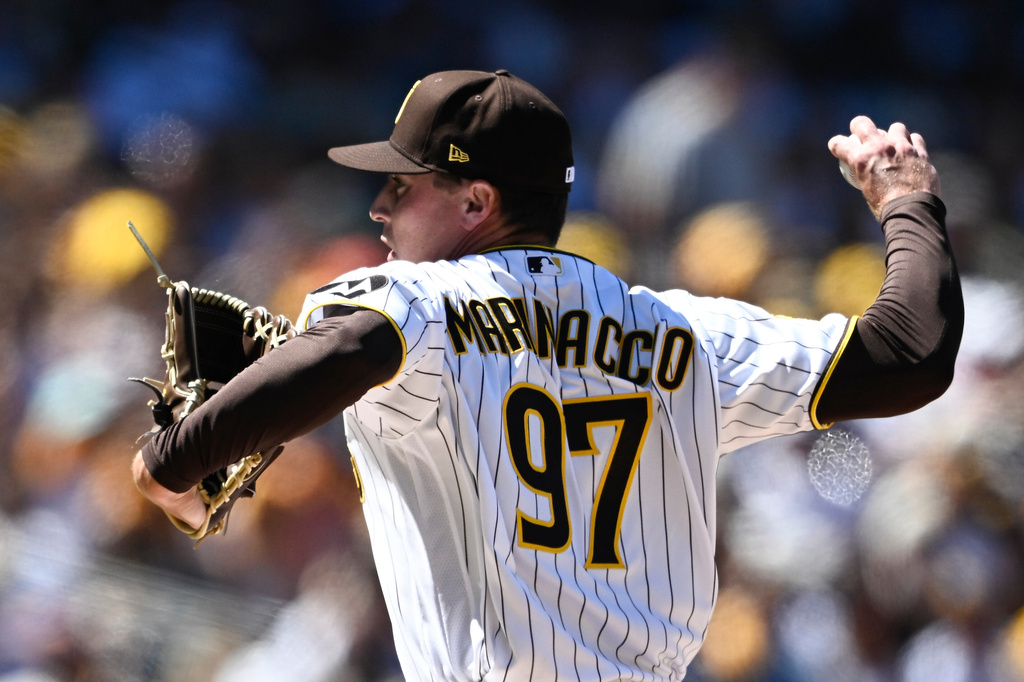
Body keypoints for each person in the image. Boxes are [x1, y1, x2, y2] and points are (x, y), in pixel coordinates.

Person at [132, 69, 963, 680]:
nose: (379, 209)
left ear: (475, 203)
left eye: (401, 185)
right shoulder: (690, 336)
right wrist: (907, 201)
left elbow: (347, 350)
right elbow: (909, 356)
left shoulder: (423, 304)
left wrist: (174, 457)